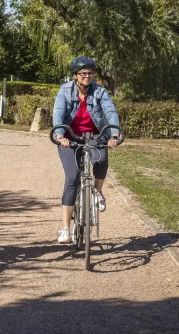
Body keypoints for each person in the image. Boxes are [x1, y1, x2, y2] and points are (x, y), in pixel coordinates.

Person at [52, 56, 121, 244]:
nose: (87, 76)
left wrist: (113, 135)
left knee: (100, 160)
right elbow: (58, 112)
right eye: (83, 73)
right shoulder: (65, 91)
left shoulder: (100, 92)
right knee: (72, 177)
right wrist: (60, 135)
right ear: (75, 75)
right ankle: (65, 228)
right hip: (70, 137)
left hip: (95, 136)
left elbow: (110, 112)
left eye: (90, 73)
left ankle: (97, 191)